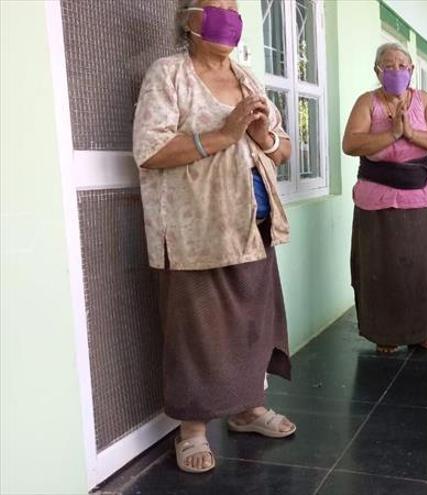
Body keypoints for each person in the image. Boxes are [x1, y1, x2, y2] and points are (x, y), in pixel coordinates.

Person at [133, 0, 296, 474]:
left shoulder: (247, 77)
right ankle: (193, 430)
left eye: (234, 6)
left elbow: (282, 148)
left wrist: (264, 136)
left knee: (251, 324)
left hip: (252, 225)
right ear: (189, 18)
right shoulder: (169, 74)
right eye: (216, 5)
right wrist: (224, 134)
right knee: (196, 331)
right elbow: (149, 150)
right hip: (194, 231)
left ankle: (247, 409)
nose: (228, 13)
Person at [342, 42, 427, 354]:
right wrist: (391, 134)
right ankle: (384, 332)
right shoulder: (368, 102)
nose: (395, 71)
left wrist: (411, 134)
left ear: (412, 70)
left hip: (419, 195)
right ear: (377, 71)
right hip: (376, 198)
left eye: (402, 65)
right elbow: (350, 143)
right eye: (388, 65)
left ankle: (421, 330)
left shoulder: (423, 101)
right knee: (379, 268)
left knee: (422, 266)